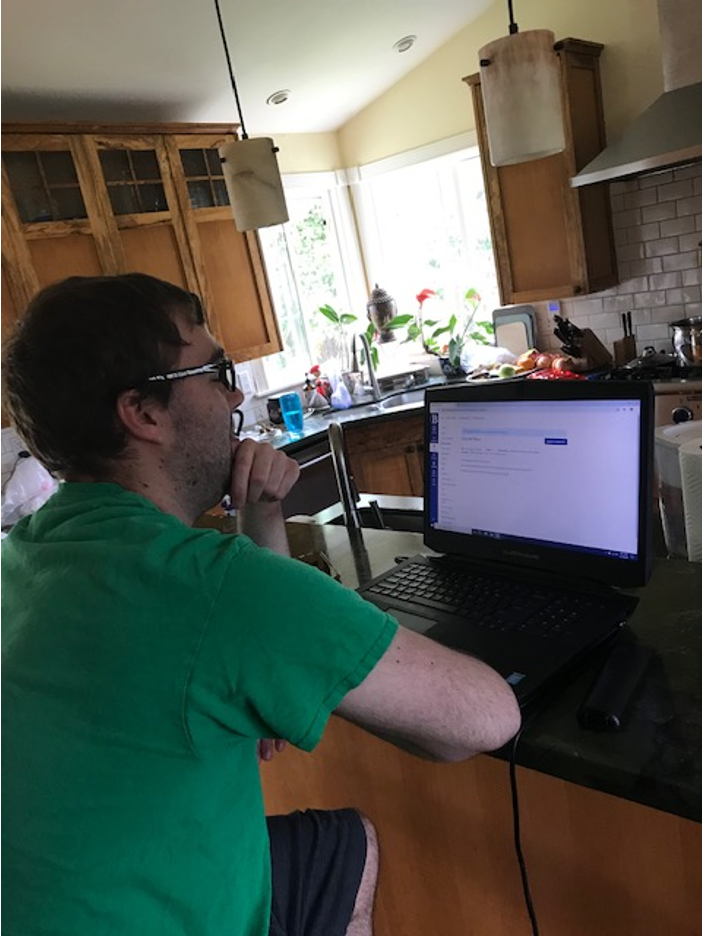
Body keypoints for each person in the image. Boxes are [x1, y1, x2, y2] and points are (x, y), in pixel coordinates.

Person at [1, 273, 520, 936]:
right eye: (216, 371)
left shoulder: (24, 559)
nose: (235, 393)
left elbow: (241, 649)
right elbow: (485, 720)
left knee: (343, 847)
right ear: (145, 413)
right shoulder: (208, 586)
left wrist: (264, 512)